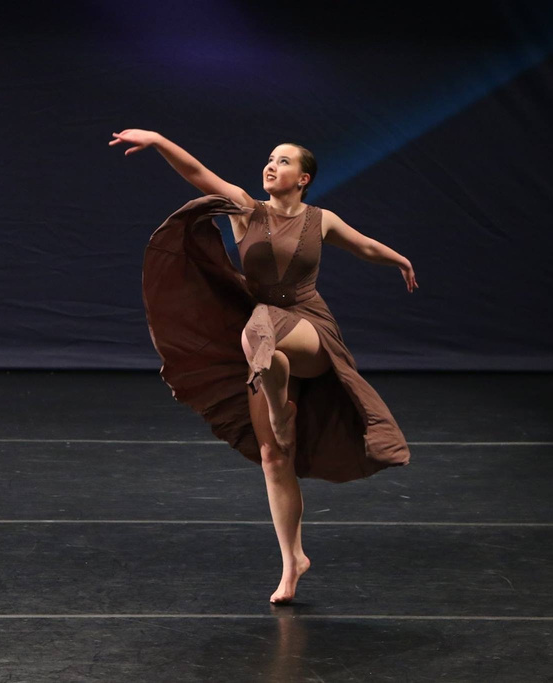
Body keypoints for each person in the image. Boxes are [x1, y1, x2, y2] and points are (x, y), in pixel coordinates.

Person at [110, 129, 418, 604]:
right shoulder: (245, 209)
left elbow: (365, 247)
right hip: (265, 347)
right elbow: (198, 173)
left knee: (259, 328)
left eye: (283, 161)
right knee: (274, 456)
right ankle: (293, 561)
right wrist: (158, 140)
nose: (271, 166)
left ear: (303, 178)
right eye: (270, 159)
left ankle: (279, 411)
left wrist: (400, 261)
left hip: (309, 331)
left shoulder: (321, 220)